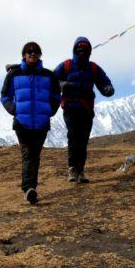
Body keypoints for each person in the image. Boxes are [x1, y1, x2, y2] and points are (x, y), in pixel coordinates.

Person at [0, 41, 61, 205]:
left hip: (41, 122)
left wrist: (51, 110)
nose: (32, 53)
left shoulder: (49, 76)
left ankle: (30, 187)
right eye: (29, 51)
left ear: (40, 54)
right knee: (28, 155)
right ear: (24, 55)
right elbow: (5, 96)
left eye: (35, 51)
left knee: (35, 155)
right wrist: (14, 109)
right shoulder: (14, 75)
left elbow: (56, 96)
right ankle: (28, 189)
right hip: (22, 122)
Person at [53, 37, 114, 183]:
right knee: (74, 137)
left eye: (85, 50)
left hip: (86, 109)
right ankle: (73, 169)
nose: (81, 52)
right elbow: (52, 80)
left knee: (83, 140)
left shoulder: (93, 68)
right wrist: (62, 85)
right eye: (79, 49)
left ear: (89, 51)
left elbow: (104, 82)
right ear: (74, 50)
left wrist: (108, 89)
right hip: (70, 108)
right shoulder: (66, 65)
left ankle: (80, 170)